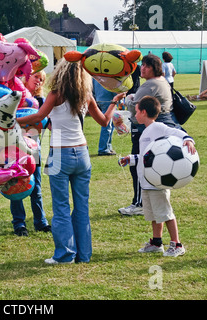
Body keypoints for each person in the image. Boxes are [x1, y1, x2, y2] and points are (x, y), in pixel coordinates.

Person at [17, 58, 125, 264]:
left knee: (61, 207)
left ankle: (65, 254)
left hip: (60, 155)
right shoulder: (86, 96)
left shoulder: (56, 95)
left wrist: (10, 121)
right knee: (82, 207)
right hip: (82, 155)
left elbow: (37, 116)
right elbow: (104, 121)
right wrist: (113, 102)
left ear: (61, 73)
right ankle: (83, 255)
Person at [119, 96, 196, 257]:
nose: (135, 115)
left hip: (157, 183)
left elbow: (177, 131)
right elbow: (146, 157)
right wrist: (131, 159)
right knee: (154, 214)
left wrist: (188, 139)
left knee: (165, 213)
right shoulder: (145, 131)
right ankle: (156, 242)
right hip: (147, 183)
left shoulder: (158, 127)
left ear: (144, 112)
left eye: (137, 111)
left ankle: (177, 244)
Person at [117, 54, 180, 217]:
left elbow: (134, 107)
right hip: (161, 123)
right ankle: (146, 202)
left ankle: (139, 203)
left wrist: (130, 98)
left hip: (146, 128)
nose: (142, 68)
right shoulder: (163, 81)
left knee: (138, 164)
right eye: (142, 65)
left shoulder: (149, 85)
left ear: (154, 68)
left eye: (146, 66)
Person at [11, 70, 51, 236]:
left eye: (42, 80)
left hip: (34, 148)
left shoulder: (41, 101)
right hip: (13, 148)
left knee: (37, 186)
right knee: (15, 185)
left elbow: (46, 123)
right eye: (36, 77)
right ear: (26, 77)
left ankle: (40, 222)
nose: (39, 82)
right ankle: (19, 224)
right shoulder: (13, 98)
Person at [93, 79, 116, 156]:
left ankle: (107, 147)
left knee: (110, 125)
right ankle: (104, 149)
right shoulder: (109, 71)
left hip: (100, 98)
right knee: (107, 125)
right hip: (109, 99)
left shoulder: (96, 73)